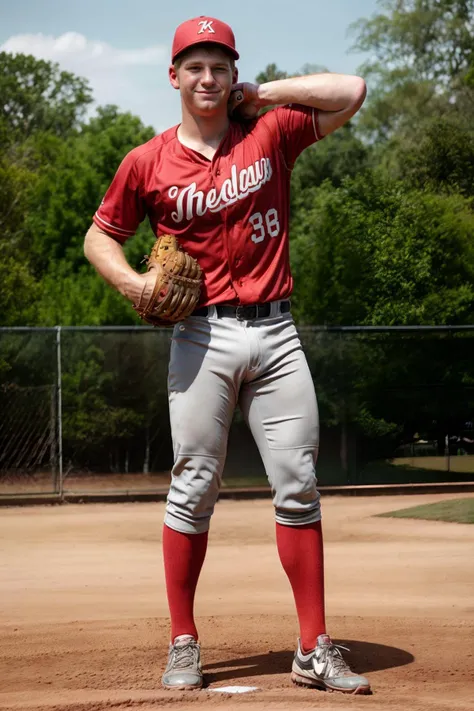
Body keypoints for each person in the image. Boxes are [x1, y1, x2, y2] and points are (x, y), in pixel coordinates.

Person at [84, 15, 370, 695]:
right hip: (200, 335)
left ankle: (313, 648)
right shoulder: (147, 162)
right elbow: (100, 237)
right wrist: (133, 282)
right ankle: (183, 641)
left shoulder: (268, 132)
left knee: (298, 482)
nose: (207, 78)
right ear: (174, 75)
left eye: (220, 66)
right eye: (195, 66)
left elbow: (352, 90)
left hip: (276, 330)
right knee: (193, 486)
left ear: (232, 73)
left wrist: (265, 92)